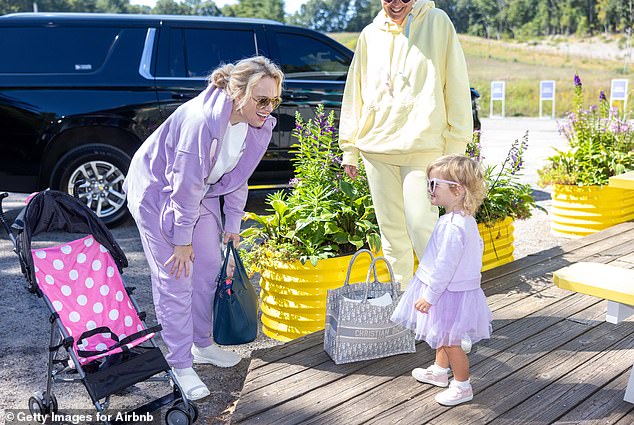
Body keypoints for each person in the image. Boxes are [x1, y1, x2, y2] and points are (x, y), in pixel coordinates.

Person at [123, 56, 284, 401]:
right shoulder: (200, 122)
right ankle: (180, 364)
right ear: (238, 92)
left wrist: (232, 223)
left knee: (209, 267)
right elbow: (183, 187)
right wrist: (181, 241)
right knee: (176, 279)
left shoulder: (254, 124)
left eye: (274, 101)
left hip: (201, 191)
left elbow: (240, 176)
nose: (269, 109)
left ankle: (202, 344)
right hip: (160, 193)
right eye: (262, 100)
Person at [338, 0, 473, 286]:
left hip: (423, 148)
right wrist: (349, 148)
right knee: (391, 236)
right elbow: (355, 91)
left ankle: (439, 307)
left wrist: (455, 150)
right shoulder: (369, 34)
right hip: (376, 150)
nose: (396, 3)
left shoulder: (437, 22)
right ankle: (403, 308)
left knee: (421, 228)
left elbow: (457, 85)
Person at [391, 154, 492, 406]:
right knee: (441, 333)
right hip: (450, 290)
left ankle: (462, 385)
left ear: (457, 190)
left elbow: (445, 266)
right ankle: (439, 370)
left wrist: (429, 296)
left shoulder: (452, 226)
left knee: (450, 341)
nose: (429, 189)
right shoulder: (460, 220)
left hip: (446, 291)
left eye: (434, 184)